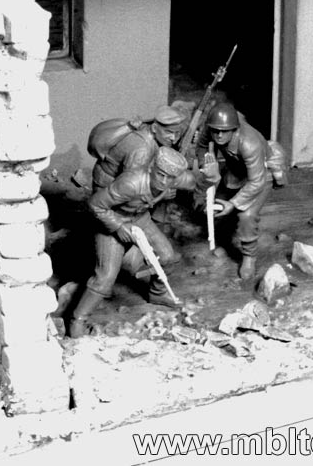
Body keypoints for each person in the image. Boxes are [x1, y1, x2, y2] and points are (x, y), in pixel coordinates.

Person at [67, 147, 219, 338]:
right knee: (105, 278)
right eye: (160, 174)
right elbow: (95, 204)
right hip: (114, 220)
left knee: (168, 256)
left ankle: (157, 292)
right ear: (151, 168)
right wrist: (118, 226)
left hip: (140, 218)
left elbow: (199, 186)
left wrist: (211, 178)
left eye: (169, 178)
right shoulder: (131, 183)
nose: (163, 181)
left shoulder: (175, 178)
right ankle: (77, 319)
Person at [196, 101, 272, 280]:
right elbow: (202, 146)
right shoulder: (213, 126)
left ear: (234, 129)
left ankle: (249, 256)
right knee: (217, 203)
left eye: (224, 131)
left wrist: (233, 203)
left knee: (246, 215)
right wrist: (207, 165)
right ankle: (223, 240)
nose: (219, 135)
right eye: (215, 131)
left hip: (261, 174)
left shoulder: (250, 143)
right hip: (235, 169)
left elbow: (256, 181)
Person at [89, 101, 192, 191]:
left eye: (177, 133)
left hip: (110, 181)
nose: (173, 138)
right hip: (109, 189)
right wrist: (161, 196)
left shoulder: (146, 127)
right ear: (155, 128)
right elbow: (132, 186)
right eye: (169, 132)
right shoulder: (142, 150)